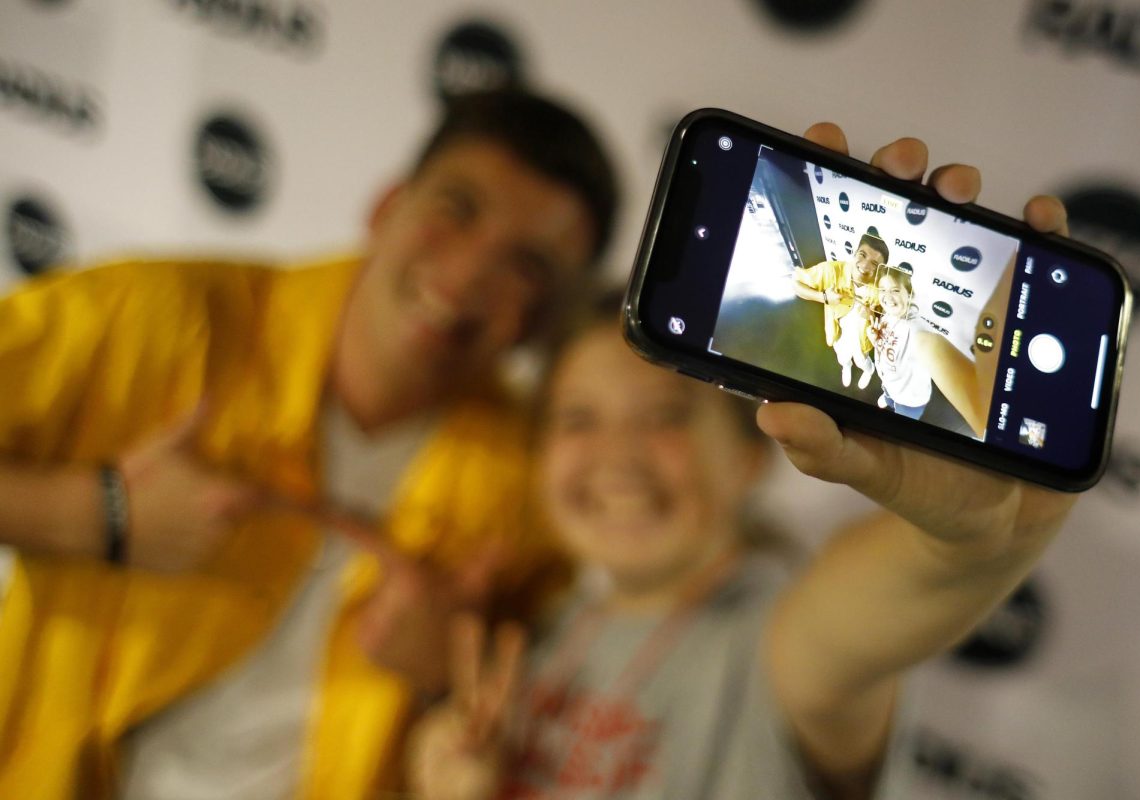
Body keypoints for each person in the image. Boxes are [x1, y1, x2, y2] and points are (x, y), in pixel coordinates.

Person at [405, 126, 1079, 800]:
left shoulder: (770, 642)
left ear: (751, 454)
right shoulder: (534, 636)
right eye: (577, 419)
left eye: (666, 415)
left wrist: (972, 543)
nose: (616, 456)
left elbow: (881, 608)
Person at [0, 89, 617, 799]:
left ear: (542, 320)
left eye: (527, 265)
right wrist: (98, 514)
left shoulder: (532, 481)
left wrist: (445, 674)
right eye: (458, 209)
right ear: (388, 208)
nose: (471, 273)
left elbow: (521, 715)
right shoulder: (163, 319)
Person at [792, 226, 888, 389]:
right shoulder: (831, 271)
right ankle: (846, 367)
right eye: (862, 255)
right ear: (855, 252)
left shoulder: (882, 286)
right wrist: (824, 297)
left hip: (862, 337)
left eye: (874, 263)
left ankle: (868, 371)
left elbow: (887, 315)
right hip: (838, 331)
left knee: (862, 360)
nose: (865, 265)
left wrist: (871, 314)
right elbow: (796, 283)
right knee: (842, 357)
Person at [868, 262, 933, 419]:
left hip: (910, 400)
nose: (887, 297)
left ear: (909, 294)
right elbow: (885, 348)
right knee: (888, 393)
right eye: (882, 290)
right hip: (890, 384)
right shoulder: (888, 314)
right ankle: (889, 400)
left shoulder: (916, 328)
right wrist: (874, 339)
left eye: (895, 290)